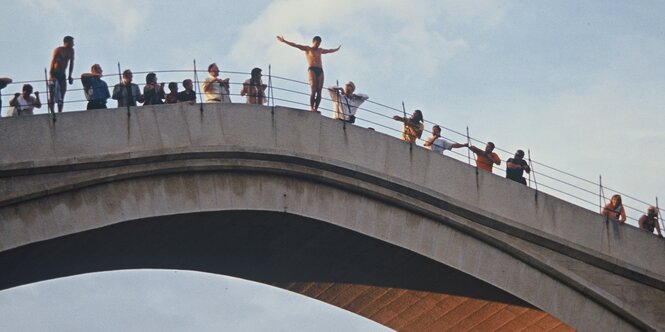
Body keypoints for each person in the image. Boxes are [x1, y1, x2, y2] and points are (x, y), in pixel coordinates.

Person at [276, 35, 341, 112]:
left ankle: (316, 108)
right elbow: (296, 45)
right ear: (313, 42)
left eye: (319, 43)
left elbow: (328, 50)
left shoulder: (320, 50)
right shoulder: (308, 49)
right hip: (312, 69)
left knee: (319, 91)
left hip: (320, 70)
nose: (317, 45)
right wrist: (284, 41)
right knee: (313, 88)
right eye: (316, 43)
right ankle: (311, 107)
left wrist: (336, 49)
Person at [48, 36, 75, 113]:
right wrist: (51, 75)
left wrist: (70, 75)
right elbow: (52, 62)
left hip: (62, 74)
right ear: (67, 42)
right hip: (55, 73)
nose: (73, 44)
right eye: (72, 42)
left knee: (62, 94)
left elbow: (71, 63)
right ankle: (52, 111)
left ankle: (60, 112)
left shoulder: (71, 51)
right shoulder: (58, 50)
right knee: (52, 94)